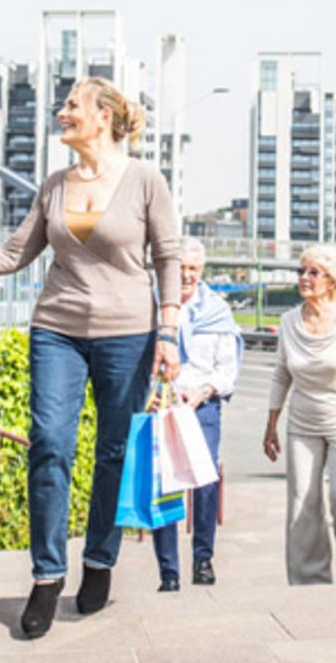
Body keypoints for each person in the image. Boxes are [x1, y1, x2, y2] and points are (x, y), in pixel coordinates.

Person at [0, 77, 181, 638]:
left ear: (105, 118)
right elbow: (16, 253)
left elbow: (167, 258)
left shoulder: (145, 181)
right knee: (49, 445)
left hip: (129, 333)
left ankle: (99, 561)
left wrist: (167, 333)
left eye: (72, 105)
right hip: (57, 329)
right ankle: (47, 575)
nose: (62, 111)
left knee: (113, 451)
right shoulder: (54, 184)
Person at [262, 245, 336, 585]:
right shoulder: (288, 322)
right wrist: (272, 424)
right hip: (303, 421)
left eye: (313, 272)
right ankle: (309, 581)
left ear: (332, 280)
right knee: (302, 502)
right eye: (301, 271)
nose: (303, 278)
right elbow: (281, 374)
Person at [151, 238, 243, 592]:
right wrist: (151, 395)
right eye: (180, 268)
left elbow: (226, 368)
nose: (187, 275)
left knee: (205, 482)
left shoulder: (218, 310)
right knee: (165, 484)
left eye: (193, 269)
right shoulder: (153, 306)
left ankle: (203, 558)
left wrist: (203, 391)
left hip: (202, 404)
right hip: (163, 404)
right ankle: (168, 571)